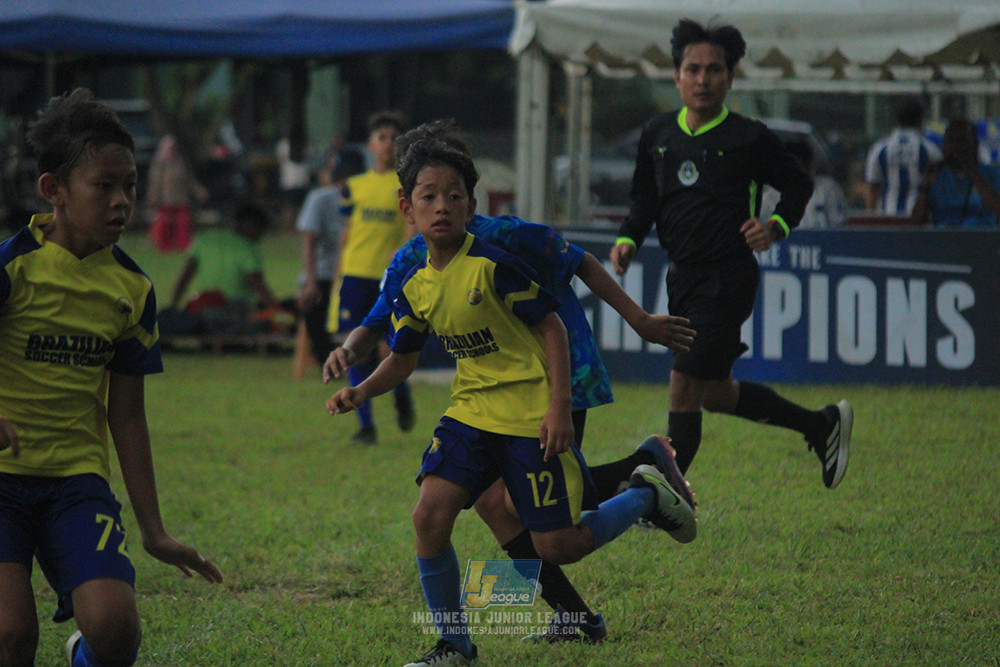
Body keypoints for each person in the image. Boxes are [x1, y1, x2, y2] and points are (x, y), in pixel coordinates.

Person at [326, 122, 697, 667]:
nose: (441, 204)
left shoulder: (503, 242)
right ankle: (473, 640)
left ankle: (644, 487)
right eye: (427, 193)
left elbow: (575, 272)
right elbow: (387, 329)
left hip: (554, 385)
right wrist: (353, 367)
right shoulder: (411, 263)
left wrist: (638, 321)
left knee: (548, 528)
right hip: (476, 405)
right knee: (453, 510)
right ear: (407, 202)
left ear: (469, 196)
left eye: (453, 192)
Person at [0, 88, 223, 667]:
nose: (122, 201)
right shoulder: (12, 268)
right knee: (11, 635)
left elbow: (126, 414)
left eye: (130, 185)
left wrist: (154, 530)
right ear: (53, 190)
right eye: (104, 186)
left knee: (116, 631)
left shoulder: (133, 289)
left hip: (75, 479)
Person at [609, 19, 853, 488]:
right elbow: (644, 199)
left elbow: (798, 185)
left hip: (727, 278)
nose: (703, 79)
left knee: (683, 387)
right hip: (682, 279)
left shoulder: (749, 137)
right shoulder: (657, 134)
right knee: (716, 394)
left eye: (714, 70)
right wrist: (628, 240)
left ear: (731, 77)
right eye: (693, 69)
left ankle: (659, 498)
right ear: (676, 76)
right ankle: (820, 425)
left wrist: (775, 227)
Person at [332, 110, 416, 444]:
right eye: (382, 138)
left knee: (389, 348)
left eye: (394, 138)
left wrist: (403, 257)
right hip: (355, 274)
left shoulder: (406, 185)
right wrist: (339, 271)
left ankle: (401, 394)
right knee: (355, 350)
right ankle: (366, 426)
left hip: (388, 276)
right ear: (370, 144)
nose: (388, 144)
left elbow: (411, 226)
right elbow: (347, 230)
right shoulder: (355, 186)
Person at [160, 202, 285, 336]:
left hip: (200, 306)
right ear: (251, 225)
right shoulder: (247, 247)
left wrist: (173, 307)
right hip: (232, 309)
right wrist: (278, 311)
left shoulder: (203, 240)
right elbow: (257, 284)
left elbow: (184, 277)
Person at [295, 146, 366, 366]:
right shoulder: (321, 199)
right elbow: (309, 242)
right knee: (313, 307)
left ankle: (364, 360)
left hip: (358, 270)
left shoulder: (368, 199)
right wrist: (311, 281)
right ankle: (326, 359)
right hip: (324, 273)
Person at [911, 118, 1000, 228]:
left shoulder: (991, 173)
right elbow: (917, 221)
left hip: (980, 235)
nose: (956, 146)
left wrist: (973, 173)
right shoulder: (936, 175)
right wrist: (925, 188)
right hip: (943, 236)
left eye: (962, 140)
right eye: (951, 140)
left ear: (975, 145)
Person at [864, 97, 943, 216]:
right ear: (920, 120)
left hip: (887, 217)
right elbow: (939, 187)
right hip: (920, 219)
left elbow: (872, 189)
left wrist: (871, 217)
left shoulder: (879, 149)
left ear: (896, 120)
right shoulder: (931, 150)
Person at [761, 139, 848, 229]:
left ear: (809, 165)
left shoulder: (828, 189)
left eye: (798, 165)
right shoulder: (769, 198)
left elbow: (839, 227)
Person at [145, 134, 207, 253]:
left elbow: (189, 179)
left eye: (172, 147)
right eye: (168, 147)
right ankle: (164, 246)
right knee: (164, 224)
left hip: (181, 198)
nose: (170, 150)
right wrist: (153, 195)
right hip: (164, 199)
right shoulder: (159, 163)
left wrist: (199, 190)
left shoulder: (181, 162)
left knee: (183, 223)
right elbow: (154, 181)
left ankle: (183, 246)